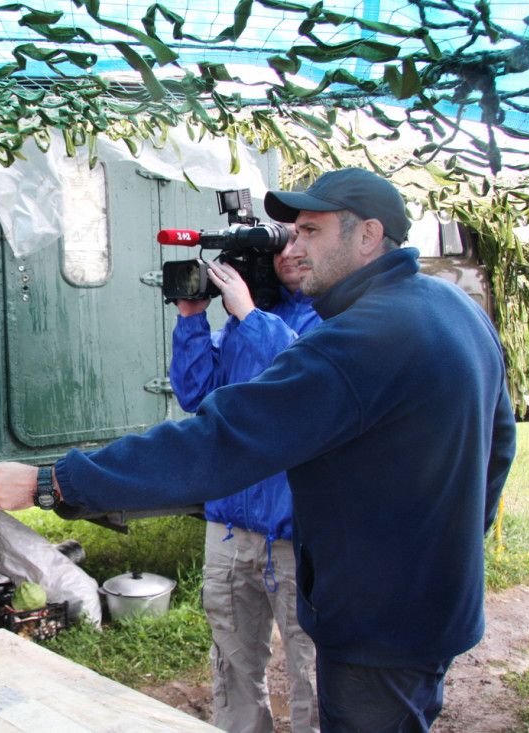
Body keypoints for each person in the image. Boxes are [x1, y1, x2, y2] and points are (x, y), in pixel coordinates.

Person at [0, 168, 517, 732]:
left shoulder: (360, 340)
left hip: (378, 625)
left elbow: (217, 442)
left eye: (310, 232)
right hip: (435, 608)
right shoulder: (454, 308)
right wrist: (455, 547)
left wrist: (52, 482)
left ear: (368, 235)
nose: (293, 247)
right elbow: (499, 444)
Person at [171, 230, 320, 733]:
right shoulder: (240, 326)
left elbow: (304, 382)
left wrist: (249, 314)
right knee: (233, 665)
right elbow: (195, 395)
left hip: (297, 534)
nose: (294, 254)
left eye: (304, 239)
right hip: (231, 530)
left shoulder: (331, 313)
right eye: (280, 249)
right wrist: (192, 316)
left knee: (312, 668)